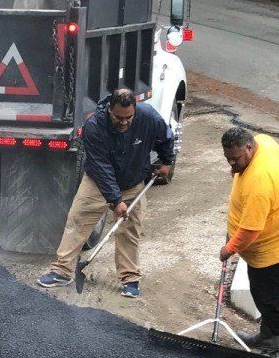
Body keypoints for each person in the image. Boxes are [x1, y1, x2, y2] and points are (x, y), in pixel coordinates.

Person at [38, 87, 176, 299]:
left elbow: (166, 137)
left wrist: (166, 161)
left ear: (135, 110)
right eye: (119, 117)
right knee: (77, 221)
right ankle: (62, 271)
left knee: (130, 231)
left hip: (133, 182)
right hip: (97, 183)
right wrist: (115, 200)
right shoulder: (94, 126)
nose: (124, 122)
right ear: (109, 110)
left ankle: (130, 279)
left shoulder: (147, 117)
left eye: (128, 117)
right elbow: (102, 167)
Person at [220, 126, 279, 358]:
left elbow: (251, 230)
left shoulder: (260, 181)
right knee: (262, 292)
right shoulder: (264, 142)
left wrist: (229, 249)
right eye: (228, 159)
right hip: (271, 244)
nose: (232, 165)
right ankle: (267, 336)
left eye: (236, 159)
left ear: (249, 148)